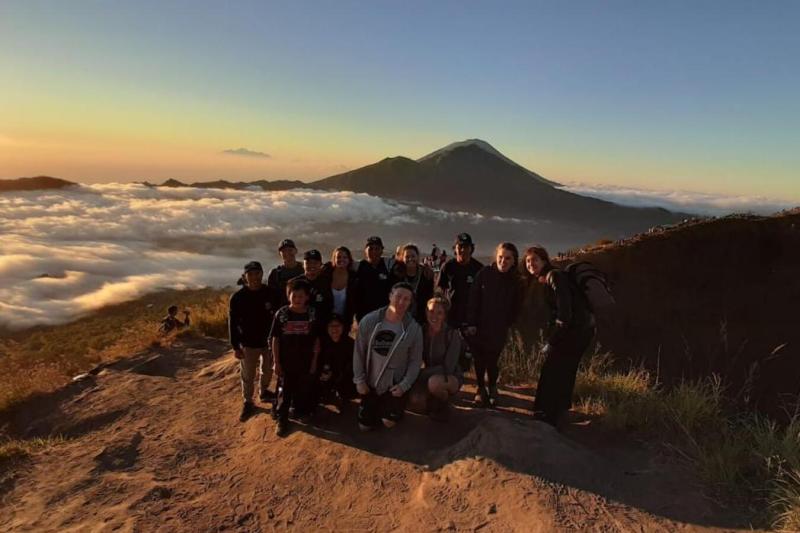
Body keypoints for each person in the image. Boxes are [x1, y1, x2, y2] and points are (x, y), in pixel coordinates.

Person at [524, 245, 595, 428]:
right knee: (564, 371)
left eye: (535, 260)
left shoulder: (554, 276)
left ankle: (547, 414)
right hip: (580, 330)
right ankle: (557, 414)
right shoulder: (550, 277)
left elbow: (564, 314)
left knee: (552, 370)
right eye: (528, 261)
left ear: (544, 260)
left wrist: (551, 341)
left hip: (574, 332)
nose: (531, 264)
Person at [353, 282, 423, 431]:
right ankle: (374, 406)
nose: (401, 302)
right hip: (371, 384)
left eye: (406, 299)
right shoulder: (370, 321)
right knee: (364, 427)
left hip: (394, 386)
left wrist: (404, 385)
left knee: (388, 423)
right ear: (390, 296)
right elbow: (359, 352)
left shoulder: (414, 329)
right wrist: (359, 380)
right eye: (398, 296)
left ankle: (392, 408)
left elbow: (415, 361)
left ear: (410, 303)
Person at [466, 242, 521, 408]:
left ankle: (492, 388)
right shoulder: (485, 273)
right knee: (479, 358)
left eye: (508, 258)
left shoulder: (516, 280)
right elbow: (473, 298)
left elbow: (517, 305)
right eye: (500, 257)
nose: (503, 261)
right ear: (496, 257)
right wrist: (471, 322)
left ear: (514, 260)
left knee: (492, 360)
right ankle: (480, 389)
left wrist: (507, 322)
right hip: (479, 325)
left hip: (499, 328)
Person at [229, 261, 279, 422]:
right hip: (248, 343)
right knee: (248, 375)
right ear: (245, 277)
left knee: (268, 370)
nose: (254, 277)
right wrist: (235, 345)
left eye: (257, 273)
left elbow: (278, 317)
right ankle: (248, 401)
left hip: (268, 341)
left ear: (262, 274)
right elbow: (232, 323)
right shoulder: (238, 297)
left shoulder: (270, 293)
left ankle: (263, 392)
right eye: (250, 274)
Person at [271, 278, 321, 437]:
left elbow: (316, 340)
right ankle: (282, 419)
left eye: (301, 296)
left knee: (302, 388)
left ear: (307, 297)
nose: (297, 299)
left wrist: (314, 361)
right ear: (288, 296)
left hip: (305, 360)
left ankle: (300, 411)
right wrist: (276, 362)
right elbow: (275, 339)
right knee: (284, 390)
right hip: (286, 361)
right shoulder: (282, 314)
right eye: (294, 296)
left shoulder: (312, 314)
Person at [410, 296, 464, 421]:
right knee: (414, 400)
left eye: (439, 313)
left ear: (444, 315)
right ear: (426, 311)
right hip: (428, 374)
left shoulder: (452, 334)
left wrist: (420, 375)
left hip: (449, 376)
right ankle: (432, 403)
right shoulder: (421, 331)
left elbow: (448, 367)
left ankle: (445, 404)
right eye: (431, 311)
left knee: (434, 383)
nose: (434, 316)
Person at [438, 233, 483, 330]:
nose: (463, 250)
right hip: (451, 317)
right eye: (460, 247)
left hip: (472, 318)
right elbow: (440, 290)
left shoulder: (479, 269)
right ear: (455, 248)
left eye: (466, 247)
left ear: (471, 249)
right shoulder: (448, 267)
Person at [317, 314, 356, 411]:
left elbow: (354, 364)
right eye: (331, 326)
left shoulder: (350, 343)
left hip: (344, 375)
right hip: (326, 374)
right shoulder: (322, 343)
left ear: (343, 327)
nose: (334, 329)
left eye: (338, 325)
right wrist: (321, 372)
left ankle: (344, 396)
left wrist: (339, 373)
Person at [392, 243, 434, 324]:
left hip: (420, 318)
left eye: (413, 256)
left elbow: (430, 297)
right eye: (407, 257)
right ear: (402, 258)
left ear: (417, 257)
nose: (410, 259)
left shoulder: (426, 274)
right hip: (399, 317)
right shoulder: (397, 274)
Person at [354, 236, 393, 322]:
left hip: (385, 316)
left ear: (382, 250)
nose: (374, 251)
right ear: (365, 250)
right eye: (370, 249)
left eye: (377, 249)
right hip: (364, 316)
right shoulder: (358, 267)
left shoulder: (388, 266)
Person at [321, 246, 358, 331]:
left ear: (349, 260)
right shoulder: (326, 274)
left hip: (345, 320)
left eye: (345, 257)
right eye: (339, 257)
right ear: (334, 259)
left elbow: (356, 300)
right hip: (325, 320)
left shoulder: (354, 278)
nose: (342, 259)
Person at [295, 249, 333, 324]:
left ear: (321, 265)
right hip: (299, 325)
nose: (312, 265)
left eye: (315, 263)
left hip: (321, 324)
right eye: (308, 263)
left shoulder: (327, 282)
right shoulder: (295, 283)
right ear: (303, 264)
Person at [267, 239, 304, 307]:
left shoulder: (305, 269)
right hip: (283, 310)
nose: (287, 253)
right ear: (279, 254)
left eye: (290, 250)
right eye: (284, 251)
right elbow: (271, 297)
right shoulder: (275, 273)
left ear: (296, 251)